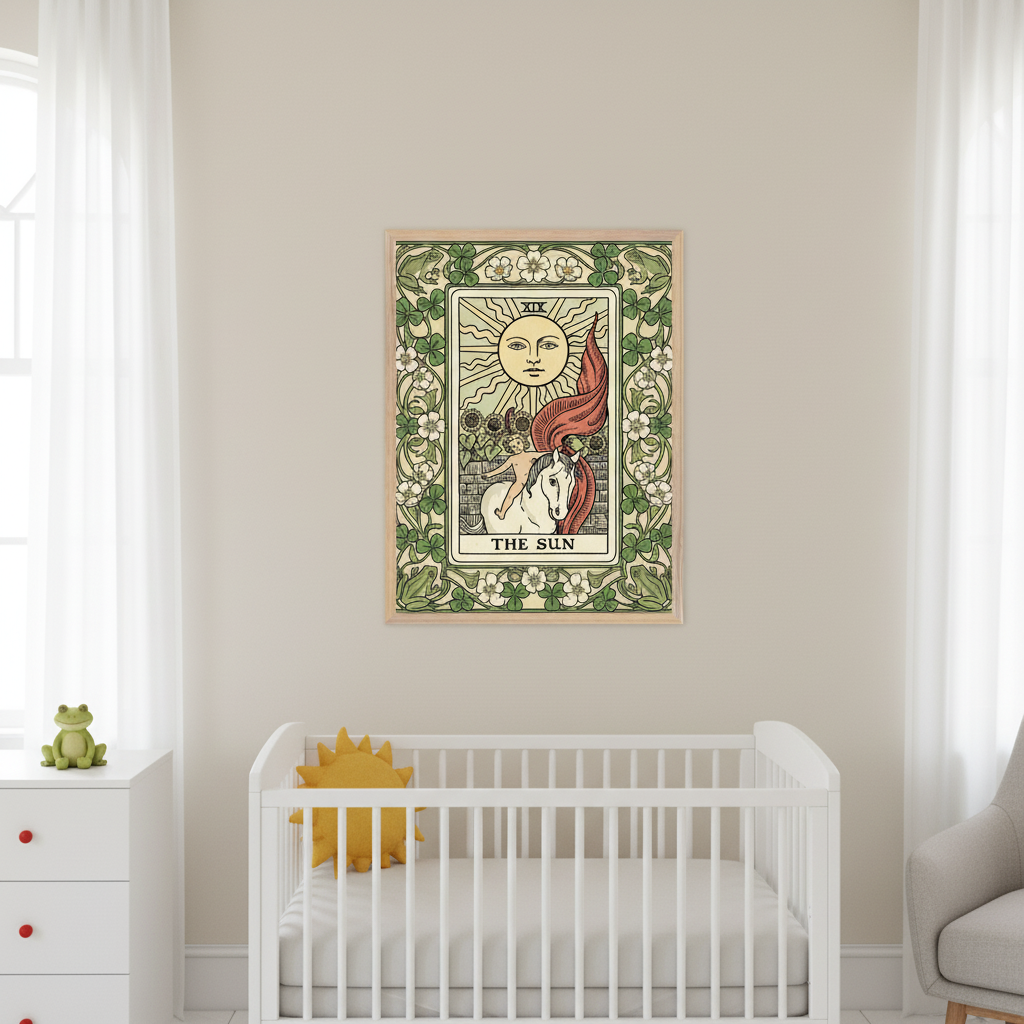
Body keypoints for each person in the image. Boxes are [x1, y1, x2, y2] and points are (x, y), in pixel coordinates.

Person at [481, 435, 539, 520]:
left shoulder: (531, 454)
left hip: (533, 482)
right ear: (510, 449)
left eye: (518, 443)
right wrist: (489, 474)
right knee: (509, 496)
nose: (517, 447)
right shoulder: (512, 459)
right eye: (514, 446)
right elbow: (502, 469)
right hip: (520, 483)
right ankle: (502, 513)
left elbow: (547, 454)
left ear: (523, 442)